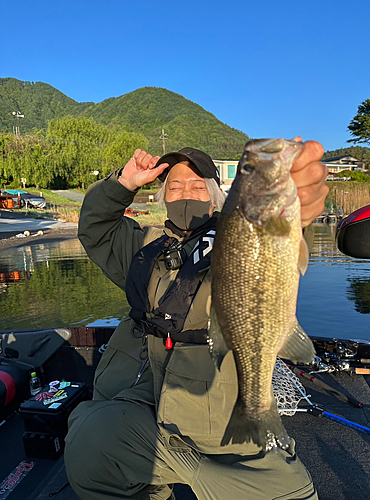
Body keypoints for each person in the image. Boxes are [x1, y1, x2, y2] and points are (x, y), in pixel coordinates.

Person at [64, 139, 328, 500]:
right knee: (90, 445)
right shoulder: (144, 244)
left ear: (217, 194)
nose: (184, 191)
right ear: (162, 197)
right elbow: (95, 229)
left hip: (218, 398)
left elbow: (276, 240)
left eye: (196, 183)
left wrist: (296, 212)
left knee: (291, 492)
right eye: (173, 184)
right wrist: (122, 184)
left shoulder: (242, 232)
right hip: (142, 392)